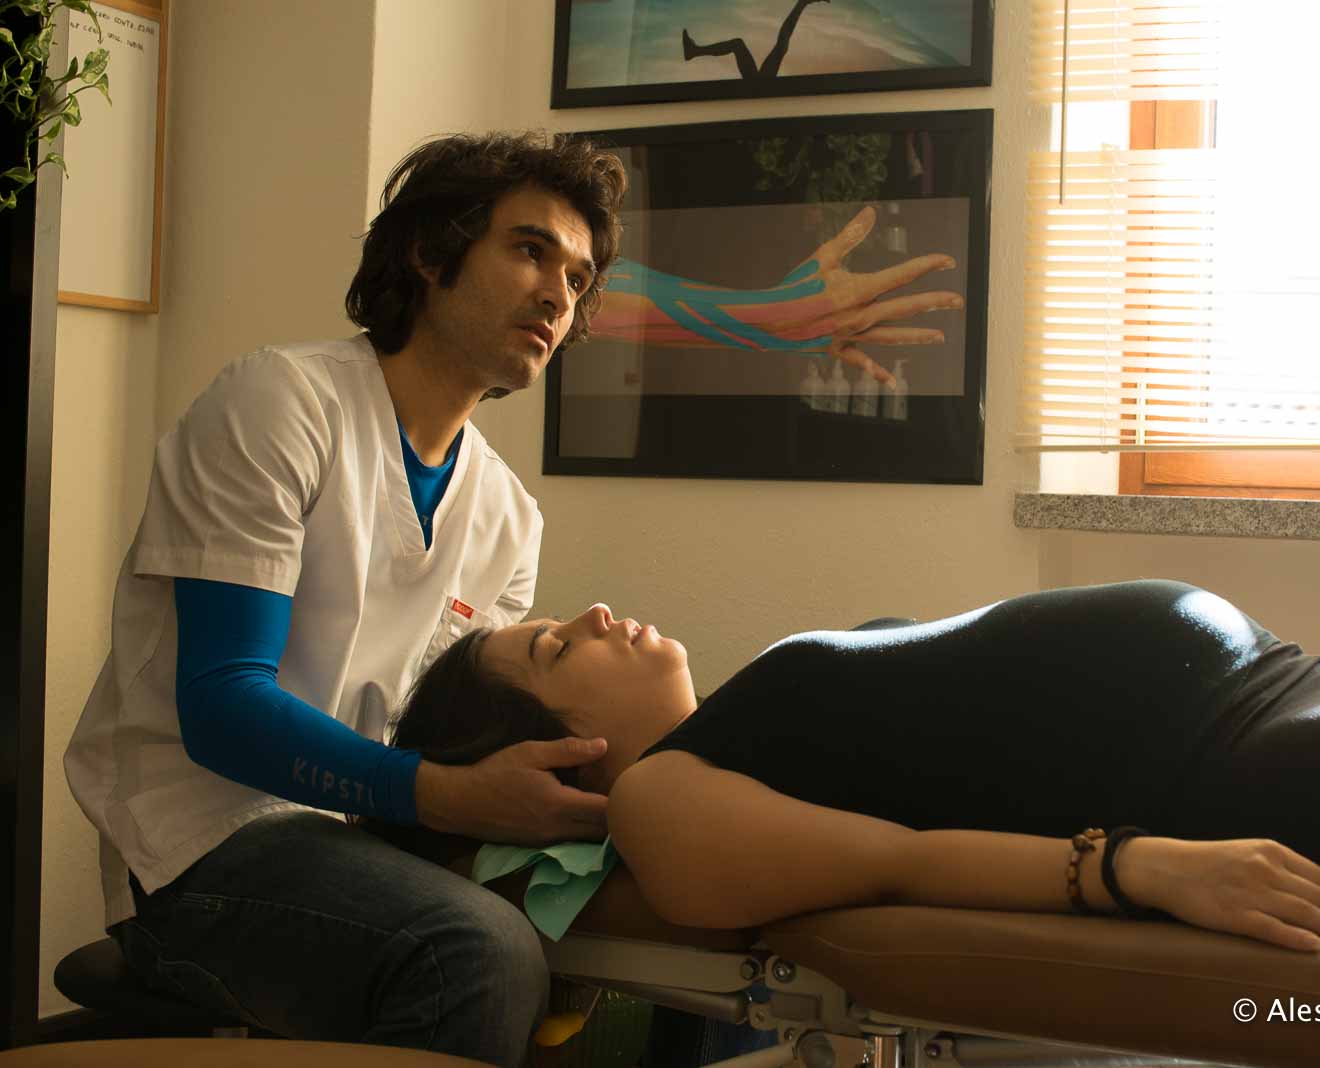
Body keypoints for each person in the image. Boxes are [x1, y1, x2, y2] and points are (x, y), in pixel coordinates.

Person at [61, 128, 958, 1065]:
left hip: (375, 830)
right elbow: (221, 708)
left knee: (715, 913)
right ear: (429, 250)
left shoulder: (504, 516)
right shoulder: (281, 405)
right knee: (475, 952)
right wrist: (444, 796)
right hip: (201, 842)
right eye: (530, 251)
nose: (558, 296)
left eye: (577, 278)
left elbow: (465, 734)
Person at [388, 580, 1320, 967]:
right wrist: (1135, 869)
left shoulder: (744, 721)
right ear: (553, 750)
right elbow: (902, 863)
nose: (595, 615)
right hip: (1260, 765)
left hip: (1309, 691)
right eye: (555, 649)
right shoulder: (663, 802)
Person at [682, 0, 831, 82]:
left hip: (761, 85)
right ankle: (694, 51)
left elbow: (784, 38)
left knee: (743, 45)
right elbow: (784, 38)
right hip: (761, 84)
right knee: (743, 45)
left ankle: (695, 51)